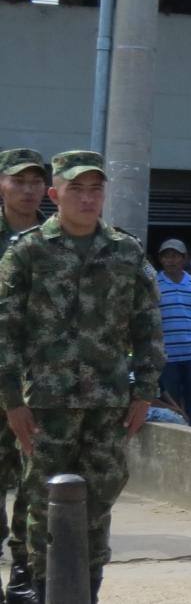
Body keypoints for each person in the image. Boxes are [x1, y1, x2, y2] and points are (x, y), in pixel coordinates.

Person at [0, 150, 163, 601]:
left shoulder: (125, 251)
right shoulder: (28, 252)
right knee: (40, 500)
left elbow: (148, 325)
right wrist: (12, 399)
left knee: (100, 495)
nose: (87, 198)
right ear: (55, 195)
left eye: (95, 189)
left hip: (108, 399)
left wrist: (144, 391)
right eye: (76, 188)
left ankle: (87, 588)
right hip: (45, 403)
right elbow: (6, 330)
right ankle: (41, 585)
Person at [0, 148, 46, 598]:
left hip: (41, 380)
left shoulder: (57, 235)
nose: (28, 189)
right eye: (19, 180)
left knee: (35, 480)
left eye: (36, 181)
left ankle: (23, 571)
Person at [155, 239, 191, 430]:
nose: (170, 260)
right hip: (167, 358)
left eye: (175, 256)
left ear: (184, 259)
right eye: (166, 256)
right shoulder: (153, 284)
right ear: (161, 260)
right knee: (171, 412)